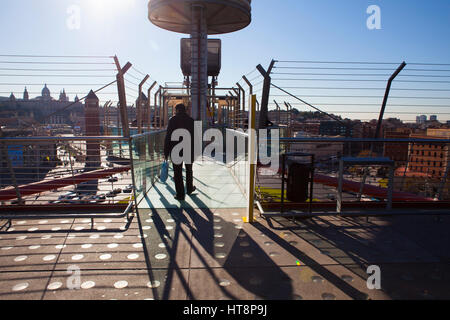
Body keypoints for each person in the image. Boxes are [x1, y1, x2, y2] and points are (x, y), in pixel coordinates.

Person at [164, 104, 196, 201]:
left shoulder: (172, 120)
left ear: (177, 110)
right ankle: (189, 188)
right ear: (185, 110)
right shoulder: (191, 120)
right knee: (189, 170)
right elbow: (196, 137)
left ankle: (180, 195)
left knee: (177, 173)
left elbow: (168, 136)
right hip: (188, 149)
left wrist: (166, 152)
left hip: (175, 150)